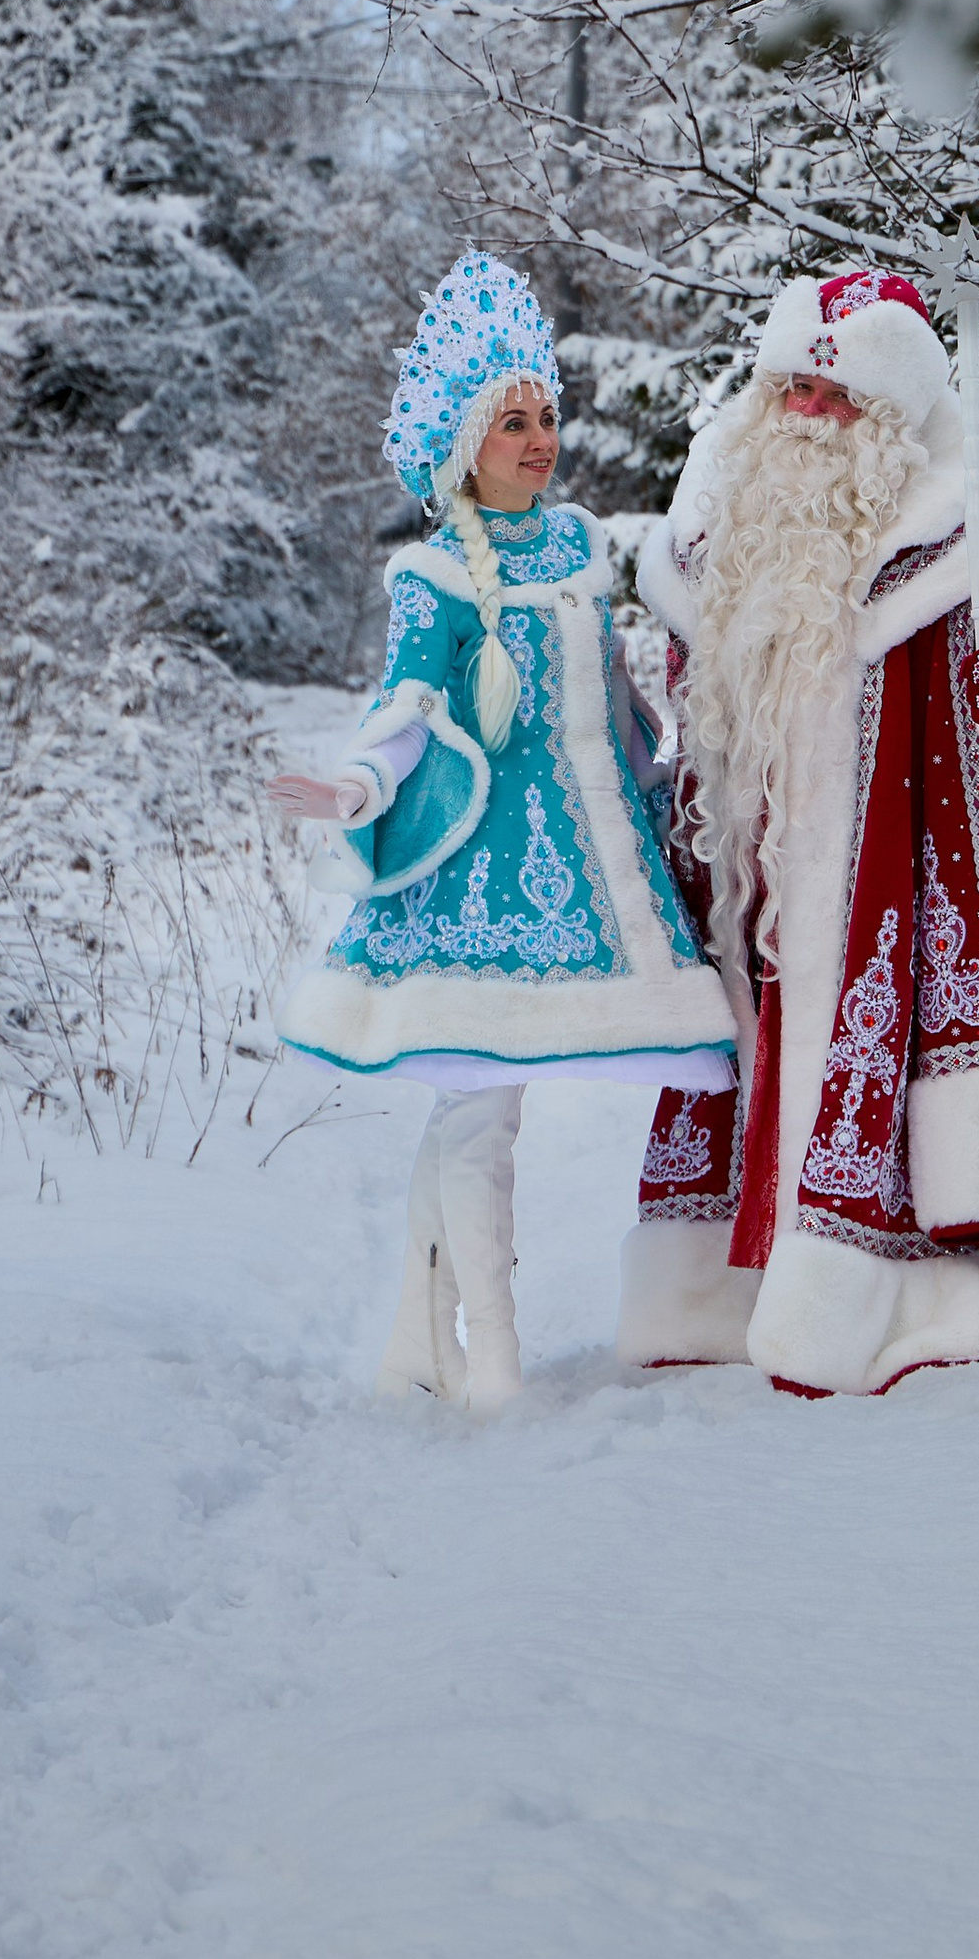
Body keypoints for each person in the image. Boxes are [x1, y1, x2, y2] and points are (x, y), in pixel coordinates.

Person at [266, 252, 735, 1411]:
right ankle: (497, 1370)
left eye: (546, 418)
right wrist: (356, 788)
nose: (539, 441)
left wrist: (679, 784)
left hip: (585, 875)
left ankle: (420, 1348)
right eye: (513, 423)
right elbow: (406, 705)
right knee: (477, 1111)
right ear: (463, 443)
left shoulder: (578, 546)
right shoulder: (430, 574)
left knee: (474, 1111)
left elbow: (613, 703)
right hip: (475, 884)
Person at [618, 267, 979, 1395]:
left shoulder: (941, 552)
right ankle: (729, 1290)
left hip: (877, 876)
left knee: (847, 1044)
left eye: (837, 399)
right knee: (749, 1058)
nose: (809, 413)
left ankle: (855, 1287)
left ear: (886, 419)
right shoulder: (720, 541)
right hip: (744, 883)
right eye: (795, 389)